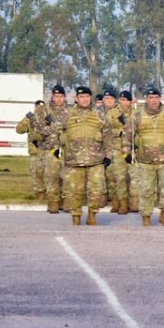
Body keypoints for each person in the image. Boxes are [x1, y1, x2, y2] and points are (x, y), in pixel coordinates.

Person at [122, 87, 164, 226]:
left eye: (156, 97)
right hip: (145, 161)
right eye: (151, 98)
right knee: (145, 190)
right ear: (146, 99)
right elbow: (127, 134)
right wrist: (126, 152)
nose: (154, 101)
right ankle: (146, 216)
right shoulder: (137, 115)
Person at [56, 86, 111, 225]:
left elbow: (108, 135)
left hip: (96, 159)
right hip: (74, 160)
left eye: (87, 96)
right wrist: (58, 147)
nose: (84, 99)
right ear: (76, 98)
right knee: (75, 191)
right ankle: (76, 216)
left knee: (97, 190)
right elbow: (55, 131)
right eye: (81, 97)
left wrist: (108, 155)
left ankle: (92, 215)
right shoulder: (66, 114)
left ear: (90, 98)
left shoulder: (100, 114)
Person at [35, 85, 70, 213]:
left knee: (67, 177)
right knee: (51, 176)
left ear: (65, 97)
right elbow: (38, 127)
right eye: (56, 96)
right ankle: (53, 203)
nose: (59, 99)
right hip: (50, 148)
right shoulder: (45, 110)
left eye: (61, 96)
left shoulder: (70, 111)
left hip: (66, 149)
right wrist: (54, 129)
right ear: (52, 97)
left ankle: (66, 201)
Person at [15, 100, 46, 202]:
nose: (39, 108)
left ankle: (50, 199)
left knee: (48, 177)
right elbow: (19, 130)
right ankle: (40, 199)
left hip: (47, 153)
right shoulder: (30, 118)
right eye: (38, 106)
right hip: (35, 153)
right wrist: (27, 122)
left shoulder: (48, 118)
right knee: (37, 177)